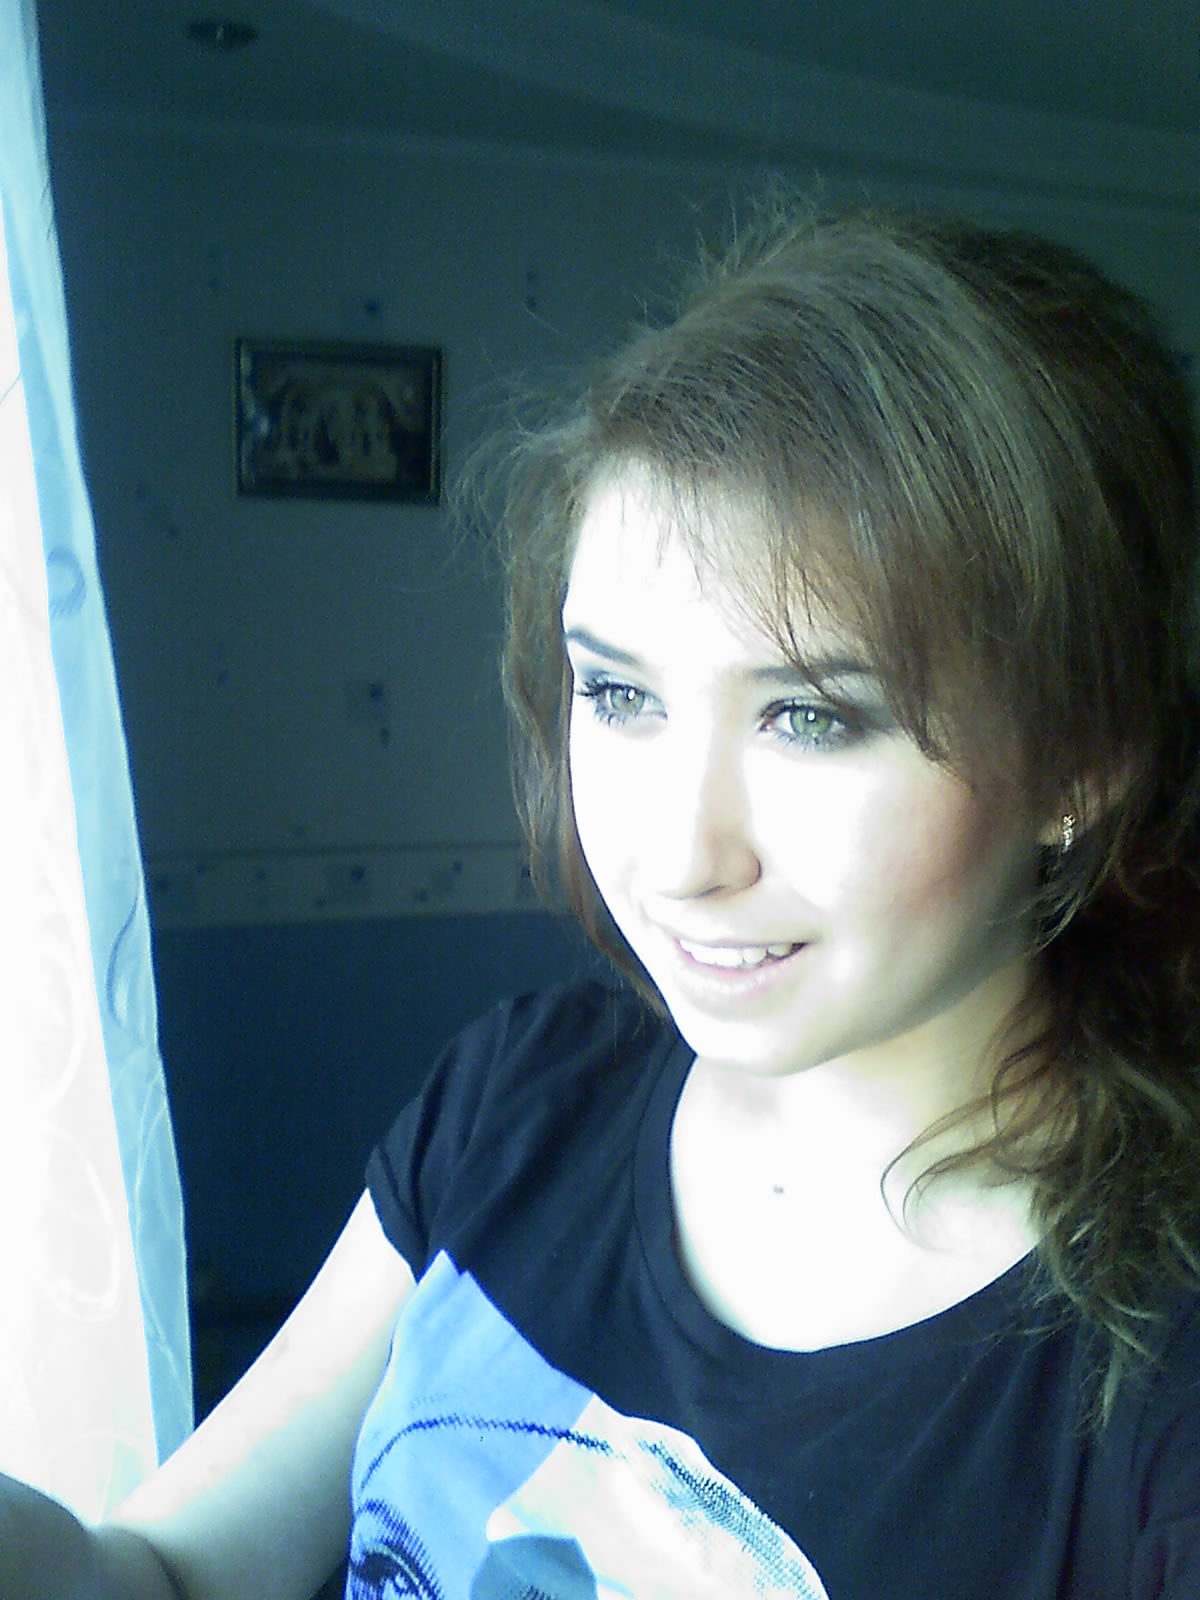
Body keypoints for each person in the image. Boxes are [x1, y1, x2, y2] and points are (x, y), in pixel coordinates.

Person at [3, 203, 1199, 1599]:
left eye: (814, 718)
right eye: (620, 694)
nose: (679, 860)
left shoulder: (1153, 1405)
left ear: (1079, 764)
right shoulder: (523, 1095)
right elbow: (159, 1573)